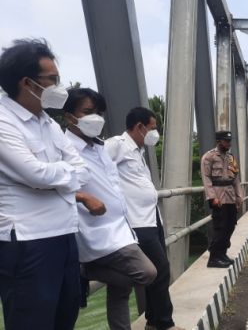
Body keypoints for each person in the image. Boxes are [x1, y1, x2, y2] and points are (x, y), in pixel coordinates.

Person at [0, 38, 104, 329]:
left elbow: (81, 171)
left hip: (64, 236)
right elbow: (35, 174)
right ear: (27, 82)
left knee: (64, 317)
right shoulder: (4, 120)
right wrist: (57, 176)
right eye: (53, 79)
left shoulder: (46, 121)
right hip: (29, 242)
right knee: (31, 321)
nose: (59, 87)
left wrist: (51, 177)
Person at [63, 88, 157, 330]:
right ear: (69, 116)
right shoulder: (64, 148)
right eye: (87, 112)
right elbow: (50, 184)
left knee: (121, 289)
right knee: (147, 273)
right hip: (97, 233)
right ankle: (86, 270)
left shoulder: (99, 147)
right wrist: (82, 196)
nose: (95, 118)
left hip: (121, 227)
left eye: (98, 113)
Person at [105, 107, 183, 330]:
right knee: (160, 269)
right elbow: (94, 171)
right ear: (139, 127)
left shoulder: (137, 151)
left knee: (155, 272)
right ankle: (164, 323)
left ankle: (152, 321)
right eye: (152, 128)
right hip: (136, 222)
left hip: (151, 218)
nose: (154, 133)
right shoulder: (116, 145)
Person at [200, 130, 244, 268]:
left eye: (230, 141)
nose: (229, 143)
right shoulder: (209, 157)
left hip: (230, 195)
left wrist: (239, 196)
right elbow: (206, 178)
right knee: (220, 226)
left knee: (230, 225)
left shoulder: (231, 158)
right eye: (226, 141)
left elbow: (236, 179)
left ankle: (222, 253)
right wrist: (212, 197)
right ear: (219, 141)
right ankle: (214, 257)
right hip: (218, 196)